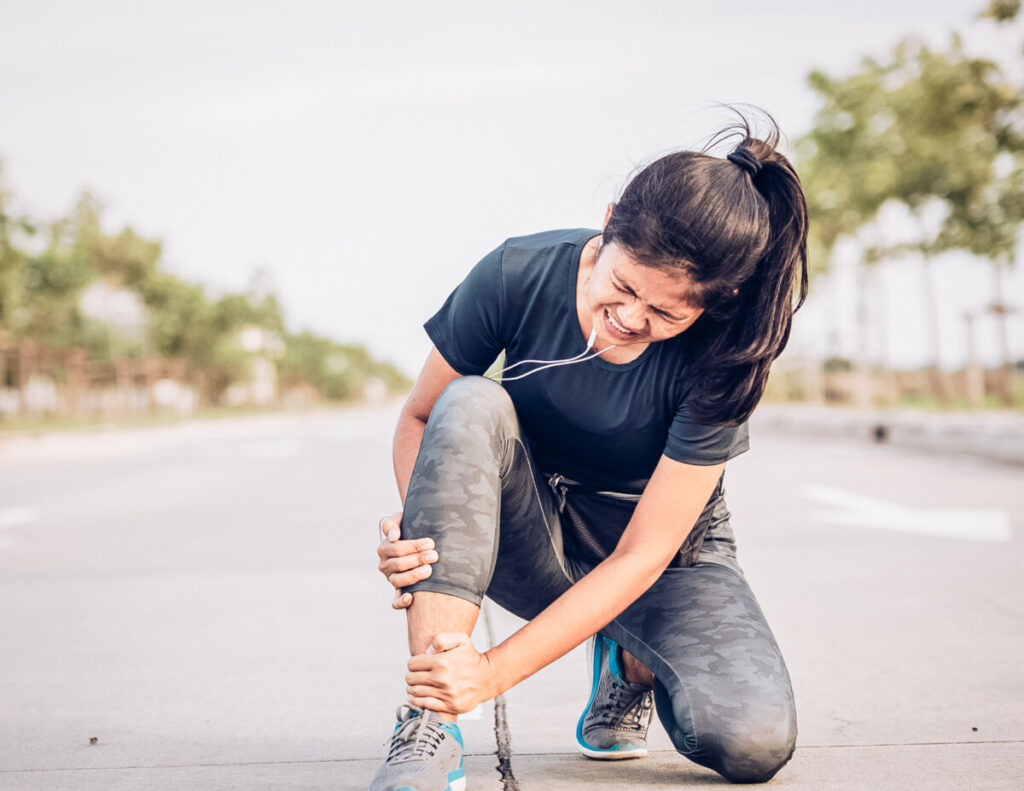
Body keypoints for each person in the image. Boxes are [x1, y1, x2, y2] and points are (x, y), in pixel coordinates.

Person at [370, 115, 808, 791]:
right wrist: (423, 530)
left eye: (666, 314)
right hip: (535, 529)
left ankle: (629, 661)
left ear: (715, 303)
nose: (632, 319)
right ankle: (431, 721)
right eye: (626, 286)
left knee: (752, 742)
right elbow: (422, 415)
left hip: (661, 559)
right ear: (607, 225)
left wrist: (493, 671)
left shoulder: (728, 355)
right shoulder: (518, 273)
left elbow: (642, 554)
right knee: (469, 400)